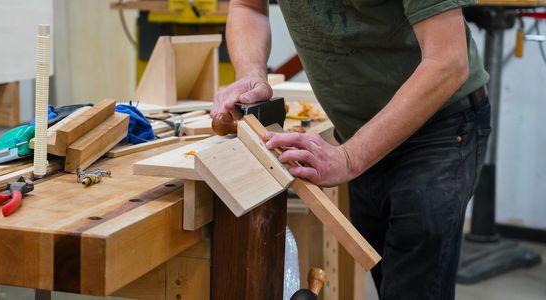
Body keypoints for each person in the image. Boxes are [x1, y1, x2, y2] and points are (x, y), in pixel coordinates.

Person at [211, 0, 492, 299]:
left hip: (437, 132)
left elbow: (448, 61)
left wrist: (349, 157)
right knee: (391, 281)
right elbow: (248, 6)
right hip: (360, 133)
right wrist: (252, 74)